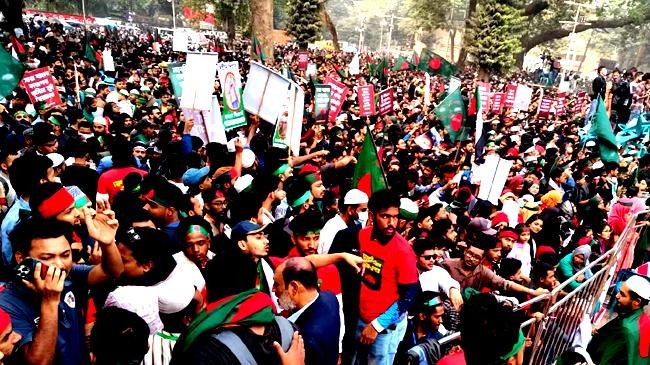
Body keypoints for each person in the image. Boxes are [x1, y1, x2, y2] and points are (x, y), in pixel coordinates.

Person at [0, 211, 123, 365]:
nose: (60, 265)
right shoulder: (6, 305)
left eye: (65, 255)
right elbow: (39, 361)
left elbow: (112, 271)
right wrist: (50, 301)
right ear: (21, 258)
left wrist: (108, 243)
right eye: (47, 258)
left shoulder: (70, 274)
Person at [354, 189, 419, 365]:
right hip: (361, 316)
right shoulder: (363, 235)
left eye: (395, 217)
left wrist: (377, 325)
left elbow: (408, 298)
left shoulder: (403, 251)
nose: (392, 223)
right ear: (372, 215)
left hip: (385, 328)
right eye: (385, 217)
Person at [273, 257, 340, 365]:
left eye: (276, 284)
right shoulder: (330, 297)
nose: (273, 289)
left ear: (293, 288)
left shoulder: (305, 338)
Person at [588, 275, 650, 365]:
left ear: (637, 301)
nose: (617, 296)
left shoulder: (624, 329)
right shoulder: (643, 319)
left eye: (622, 294)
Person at [318, 188, 368, 254]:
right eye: (363, 210)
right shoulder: (333, 228)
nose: (366, 213)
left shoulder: (352, 225)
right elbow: (328, 256)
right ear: (350, 210)